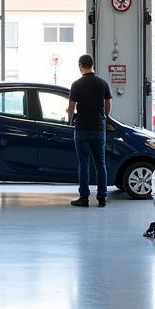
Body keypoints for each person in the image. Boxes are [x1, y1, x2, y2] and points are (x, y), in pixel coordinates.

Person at [65, 54, 112, 208]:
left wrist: (70, 119)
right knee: (101, 164)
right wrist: (102, 117)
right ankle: (102, 198)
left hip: (82, 129)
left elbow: (71, 107)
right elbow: (108, 107)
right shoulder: (102, 83)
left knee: (83, 164)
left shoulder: (76, 84)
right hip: (99, 128)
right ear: (93, 65)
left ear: (80, 66)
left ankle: (84, 198)